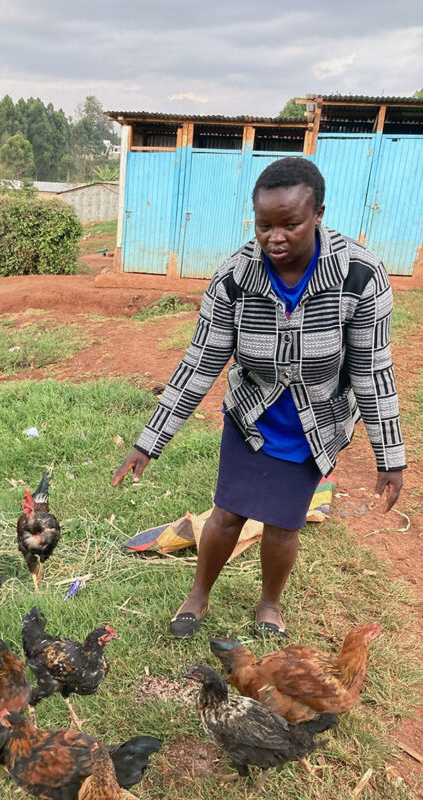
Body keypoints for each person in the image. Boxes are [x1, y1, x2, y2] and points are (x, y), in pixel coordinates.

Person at [111, 157, 404, 640]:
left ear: (318, 215)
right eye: (264, 225)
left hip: (318, 423)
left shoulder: (360, 275)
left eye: (290, 224)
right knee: (228, 512)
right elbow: (200, 363)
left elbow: (372, 369)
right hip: (252, 416)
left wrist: (390, 457)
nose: (275, 238)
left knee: (284, 525)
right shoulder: (235, 277)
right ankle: (198, 593)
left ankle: (270, 603)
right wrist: (148, 442)